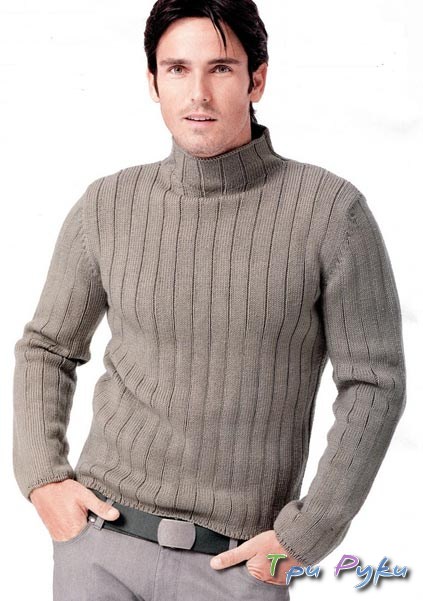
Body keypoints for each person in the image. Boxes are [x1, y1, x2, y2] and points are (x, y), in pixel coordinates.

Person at [12, 1, 407, 600]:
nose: (198, 93)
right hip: (99, 549)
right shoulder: (107, 205)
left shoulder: (331, 213)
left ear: (257, 79)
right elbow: (47, 347)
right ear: (153, 82)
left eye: (221, 68)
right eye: (177, 69)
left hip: (236, 567)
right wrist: (43, 479)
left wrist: (305, 536)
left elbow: (374, 382)